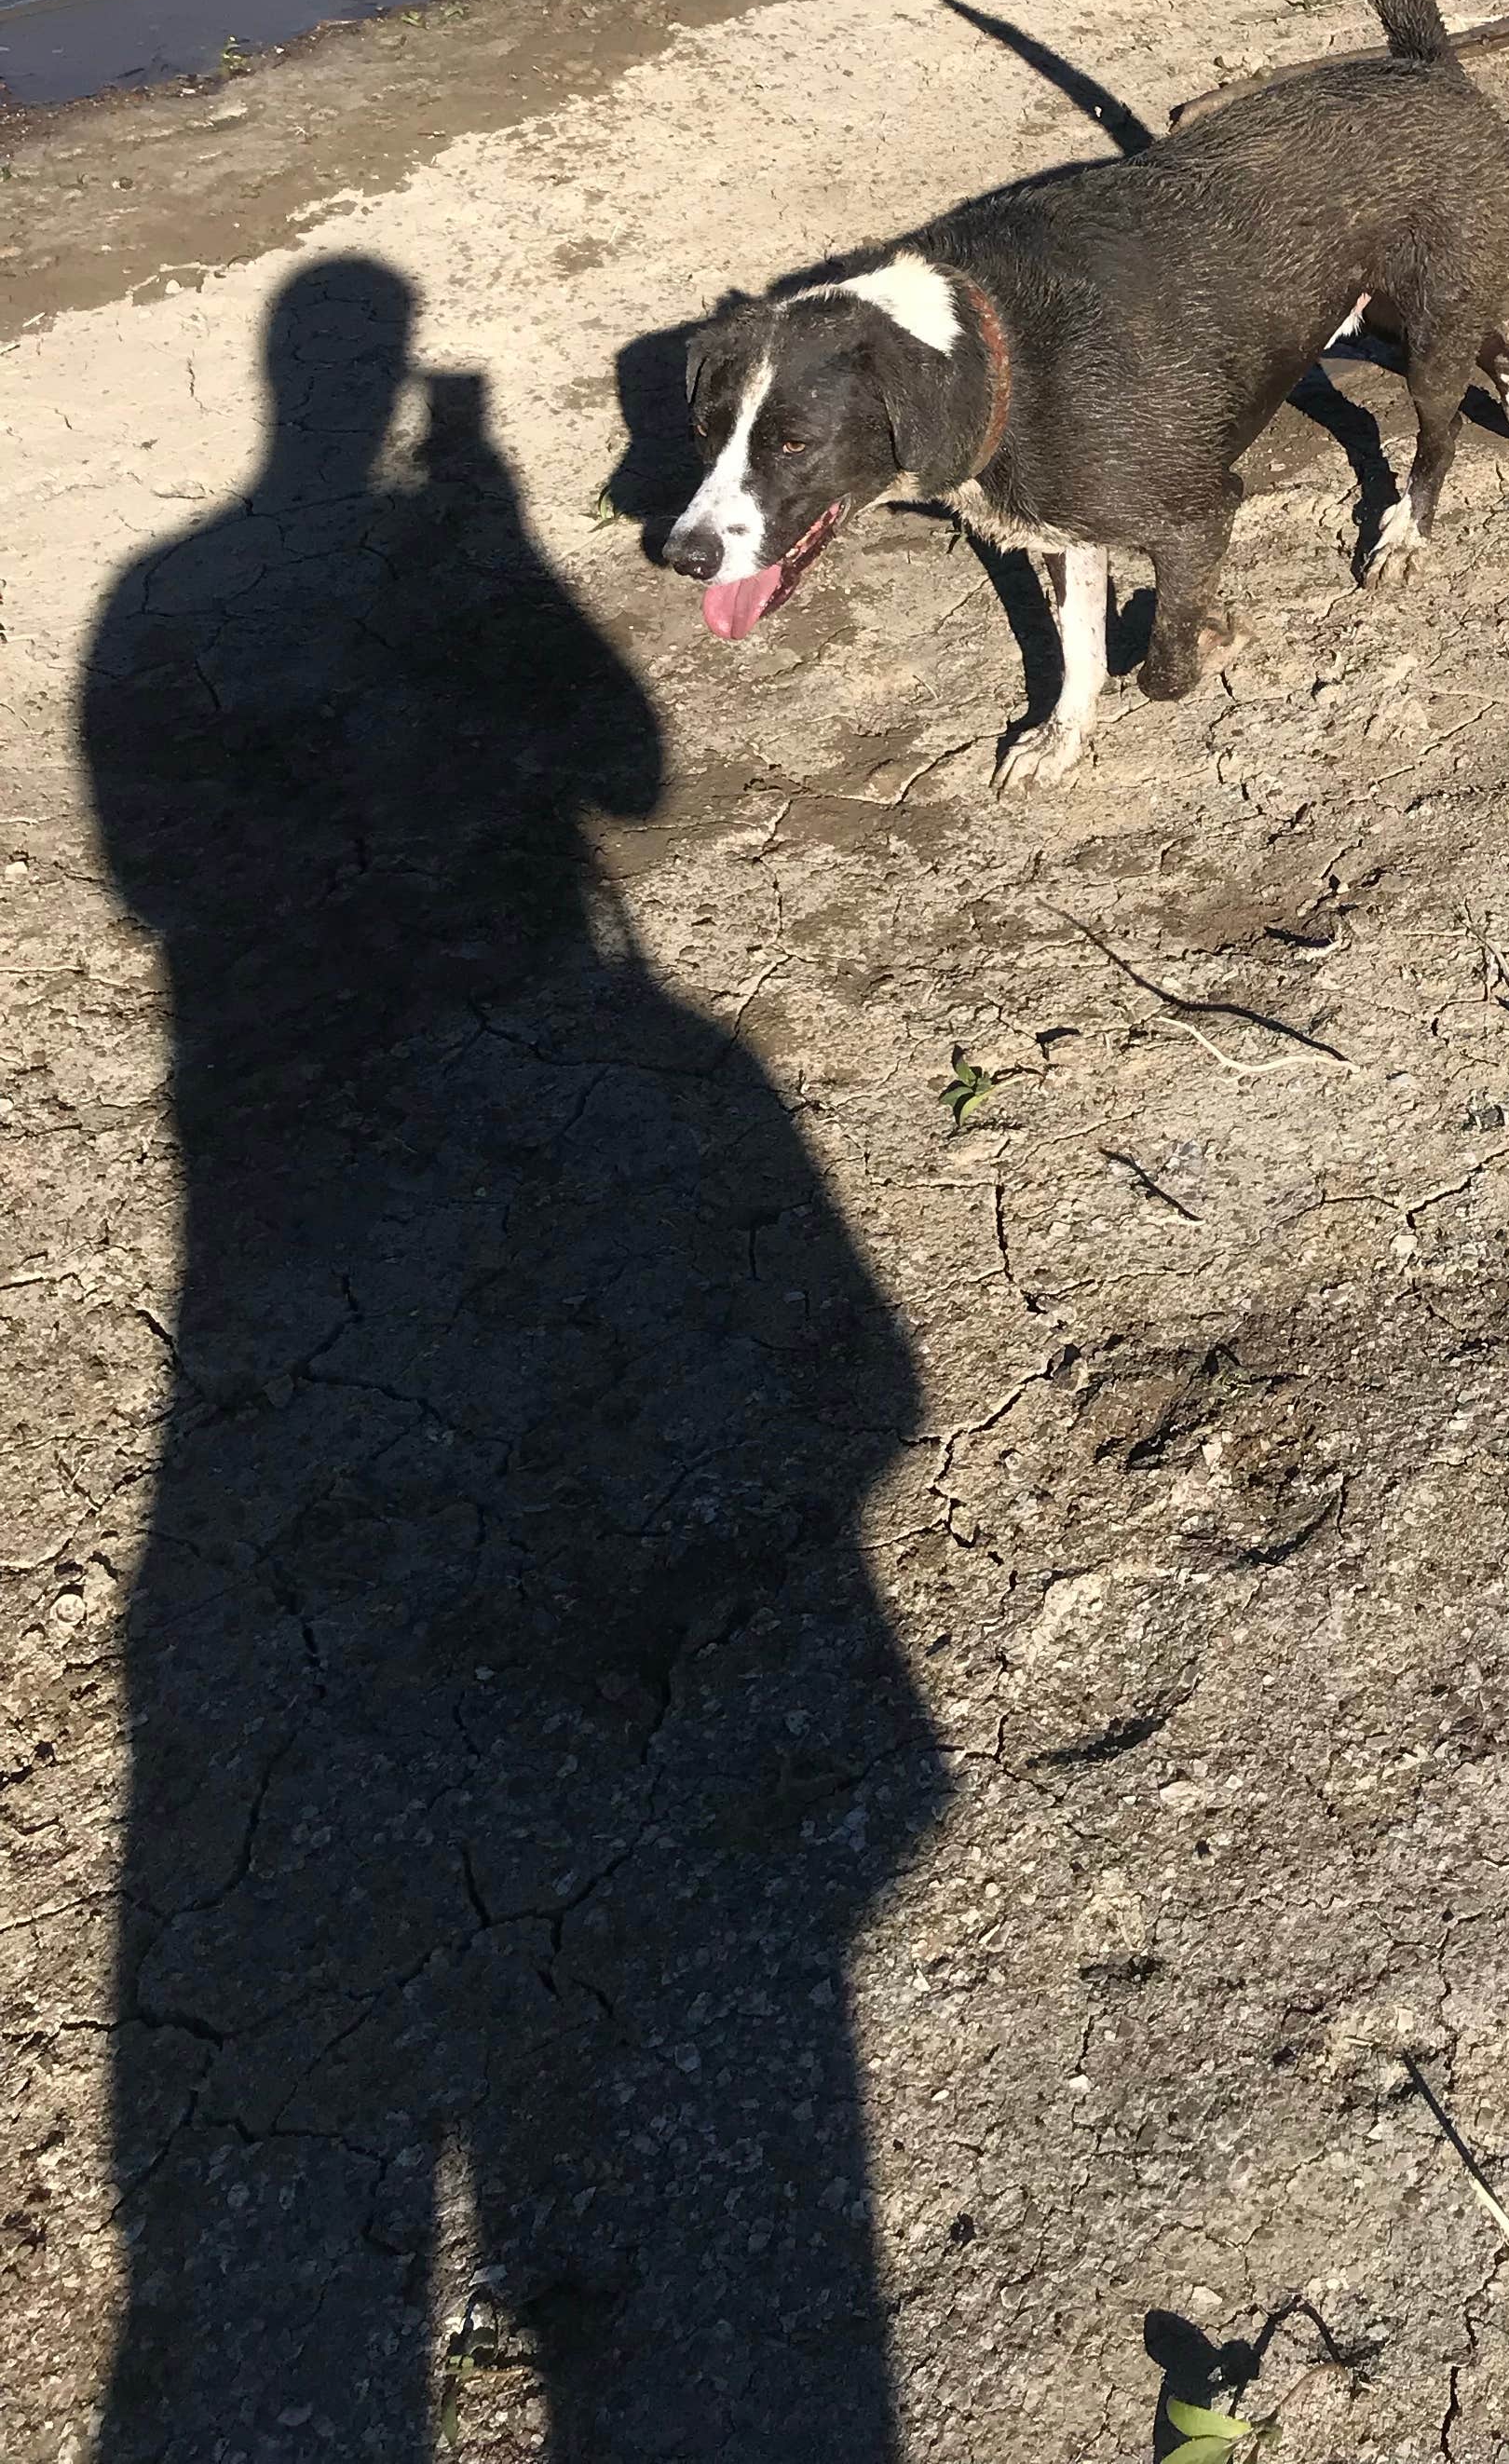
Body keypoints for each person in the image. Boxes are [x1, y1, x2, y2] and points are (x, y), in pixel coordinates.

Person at [83, 257, 943, 2461]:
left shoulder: (170, 599)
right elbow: (637, 758)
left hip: (302, 1138)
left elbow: (144, 844)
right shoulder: (313, 582)